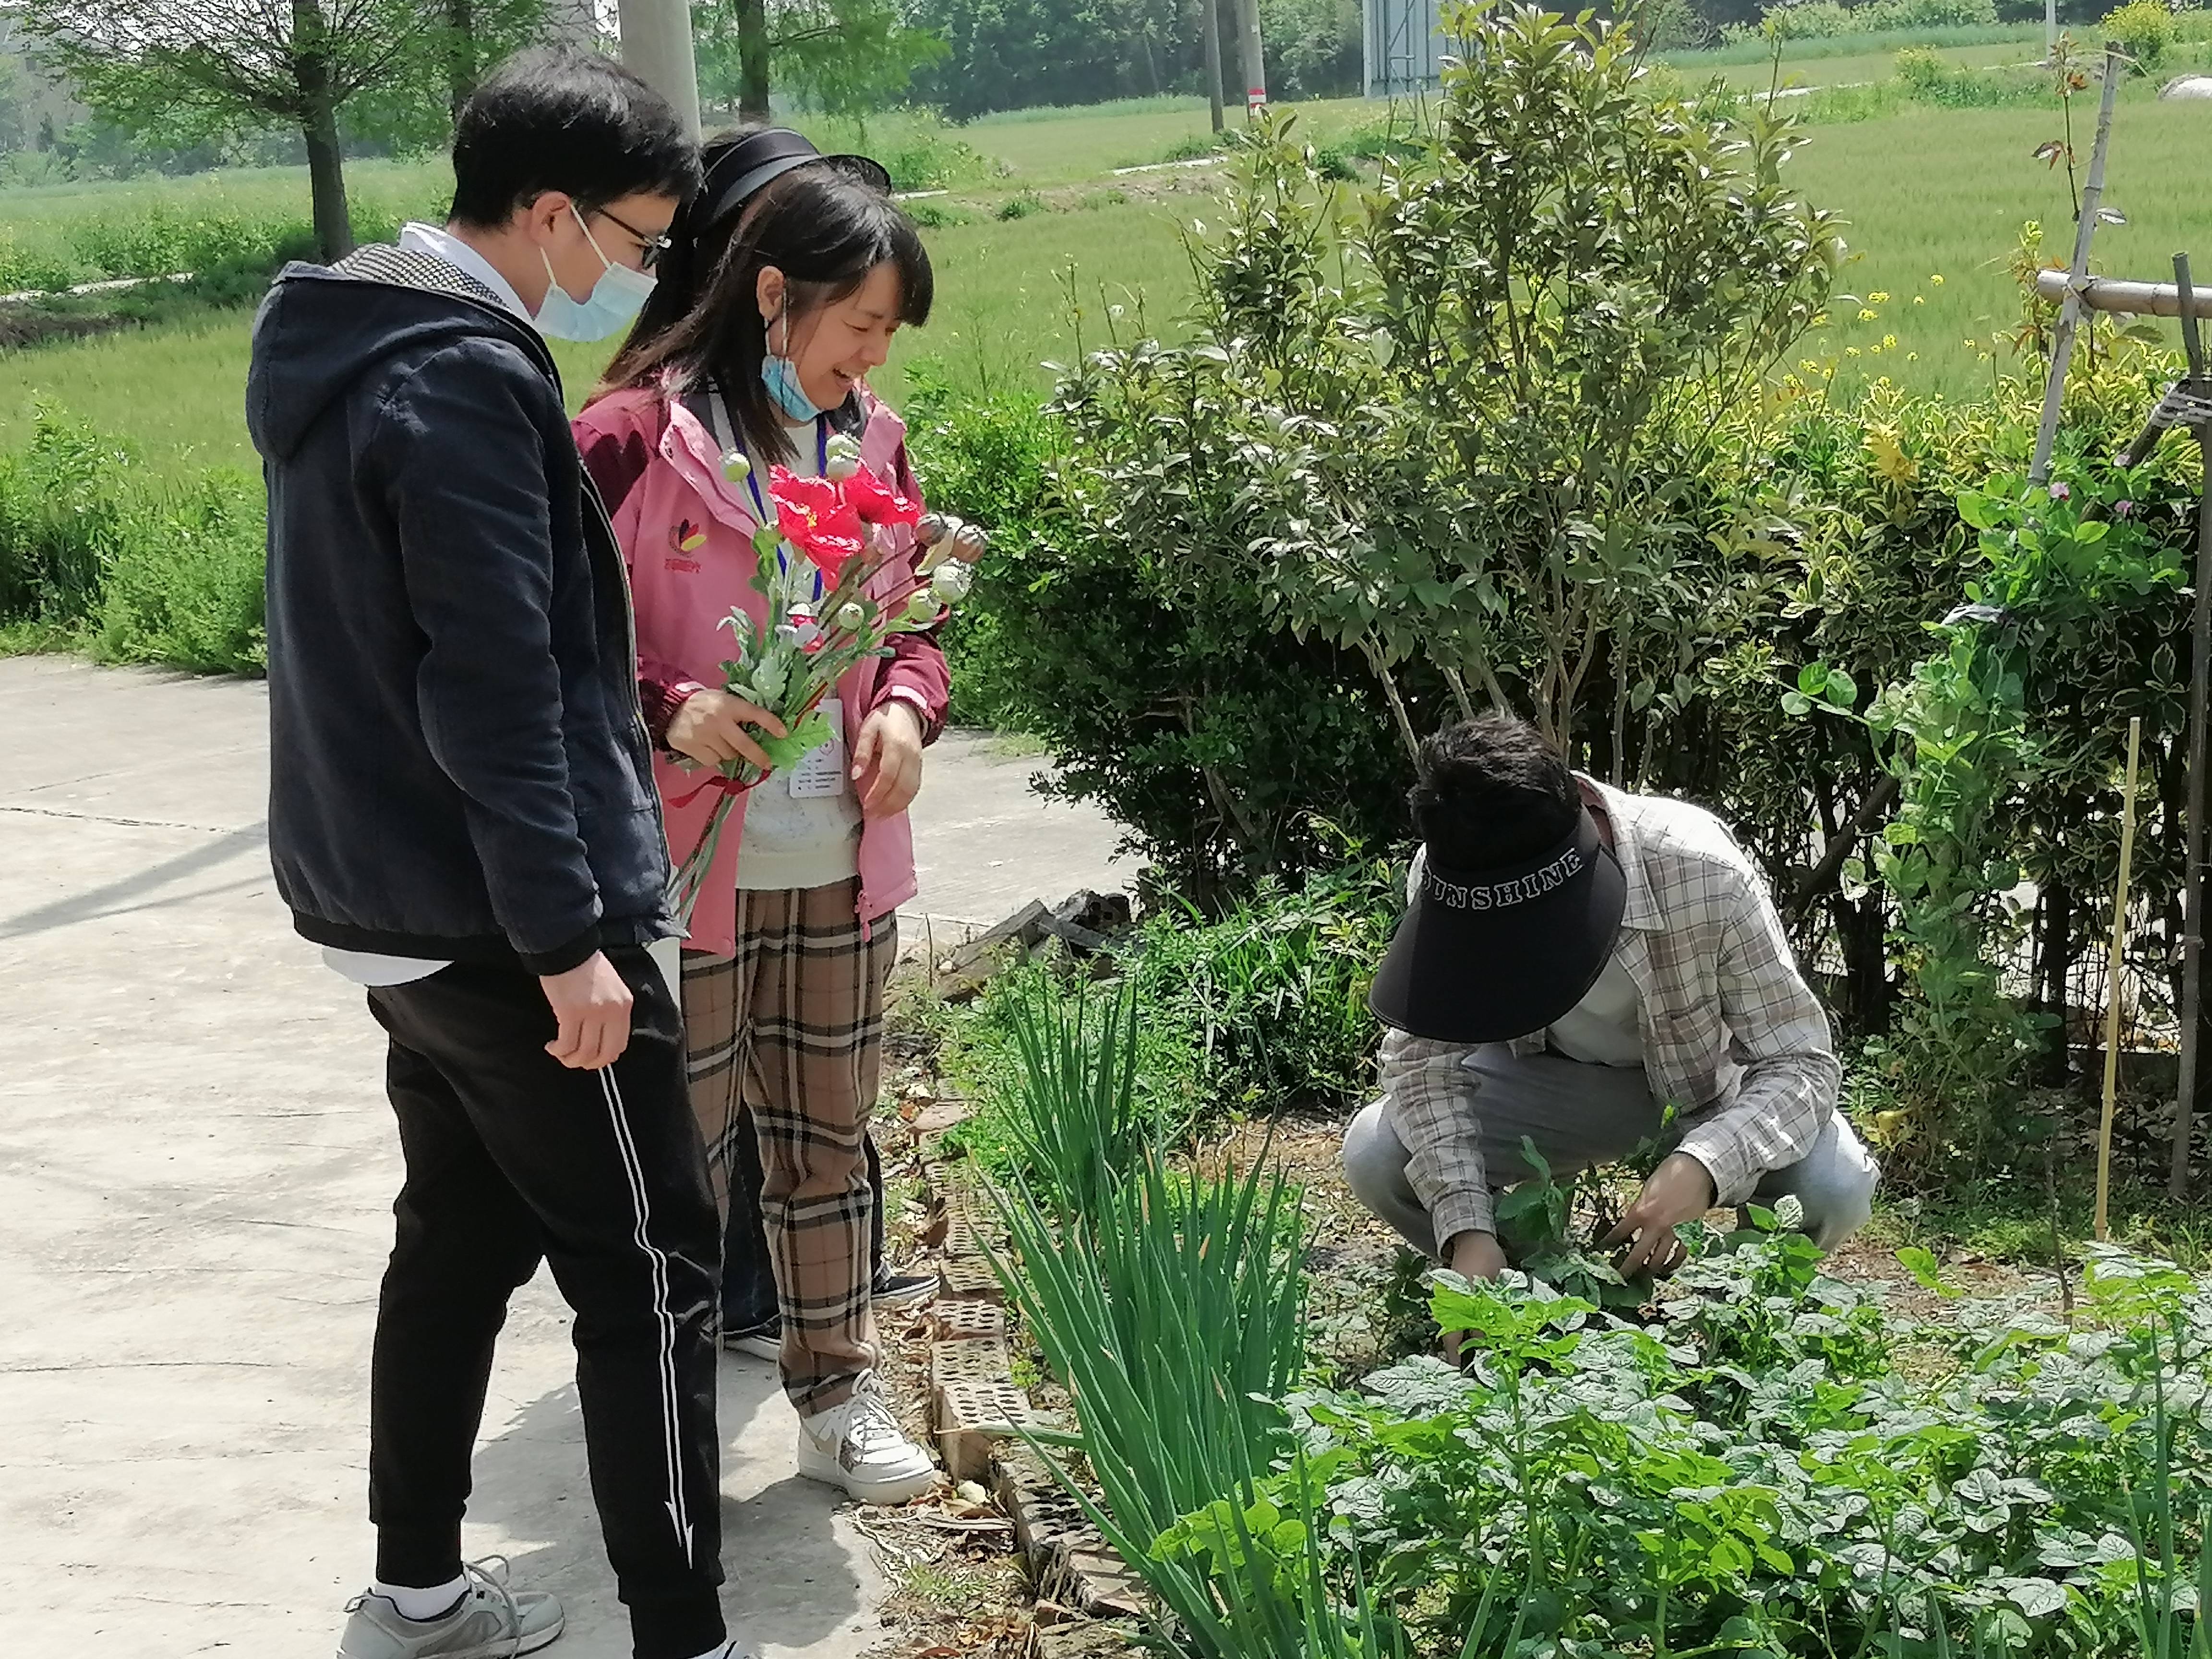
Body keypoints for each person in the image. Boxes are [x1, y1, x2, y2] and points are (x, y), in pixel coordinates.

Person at [248, 49, 745, 1659]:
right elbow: (491, 681)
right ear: (549, 214)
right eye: (640, 239)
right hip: (497, 917)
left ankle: (419, 1590)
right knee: (654, 1253)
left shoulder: (363, 334)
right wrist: (564, 937)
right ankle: (687, 1632)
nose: (644, 274)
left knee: (457, 1233)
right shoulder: (458, 372)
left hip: (391, 899)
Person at [573, 144, 946, 1505]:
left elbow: (920, 631)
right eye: (857, 326)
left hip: (840, 868)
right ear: (773, 295)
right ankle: (659, 1415)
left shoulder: (875, 446)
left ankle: (836, 1392)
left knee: (828, 1144)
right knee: (681, 1163)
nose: (868, 359)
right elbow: (553, 645)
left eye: (887, 336)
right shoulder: (629, 442)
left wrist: (904, 710)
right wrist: (669, 705)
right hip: (683, 878)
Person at [1345, 715, 1880, 1304]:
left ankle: (1738, 1315)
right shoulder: (1453, 872)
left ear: (1587, 828)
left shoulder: (1700, 869)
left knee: (1834, 1186)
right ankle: (1528, 1298)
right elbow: (1423, 1066)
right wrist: (1467, 1229)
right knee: (1377, 1152)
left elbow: (1800, 1061)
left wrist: (1704, 1166)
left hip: (1705, 1090)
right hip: (1550, 1089)